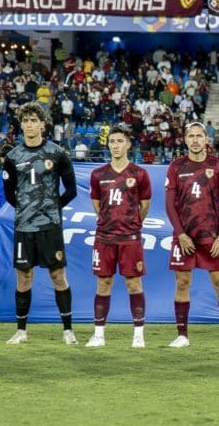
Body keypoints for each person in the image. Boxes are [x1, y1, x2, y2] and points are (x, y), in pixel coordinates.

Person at [2, 102, 79, 345]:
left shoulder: (57, 154)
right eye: (25, 121)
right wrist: (27, 211)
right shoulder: (13, 157)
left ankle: (67, 330)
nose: (29, 125)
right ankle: (21, 331)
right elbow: (9, 194)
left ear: (42, 124)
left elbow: (72, 190)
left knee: (58, 276)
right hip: (24, 228)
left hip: (50, 227)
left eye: (34, 120)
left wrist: (51, 210)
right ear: (21, 125)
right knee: (23, 278)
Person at [165, 121, 219, 349]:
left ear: (206, 139)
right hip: (185, 237)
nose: (195, 140)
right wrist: (180, 233)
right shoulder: (176, 167)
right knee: (182, 282)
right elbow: (170, 206)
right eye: (191, 136)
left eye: (199, 135)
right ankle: (182, 335)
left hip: (211, 236)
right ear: (185, 139)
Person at [86, 126, 152, 349]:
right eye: (112, 141)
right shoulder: (98, 175)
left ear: (128, 145)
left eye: (120, 141)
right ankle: (98, 335)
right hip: (104, 237)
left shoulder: (139, 174)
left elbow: (145, 205)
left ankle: (138, 335)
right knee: (103, 283)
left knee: (134, 284)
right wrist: (109, 221)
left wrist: (131, 222)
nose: (115, 145)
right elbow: (97, 205)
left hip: (130, 237)